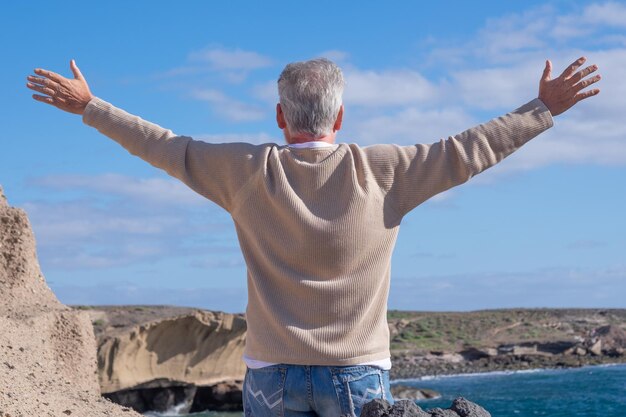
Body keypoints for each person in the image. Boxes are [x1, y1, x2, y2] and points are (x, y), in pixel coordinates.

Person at [26, 56, 600, 417]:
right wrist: (542, 109)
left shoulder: (245, 171)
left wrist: (91, 107)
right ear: (341, 116)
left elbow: (162, 145)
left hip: (270, 372)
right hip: (357, 372)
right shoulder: (386, 171)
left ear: (281, 116)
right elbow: (468, 151)